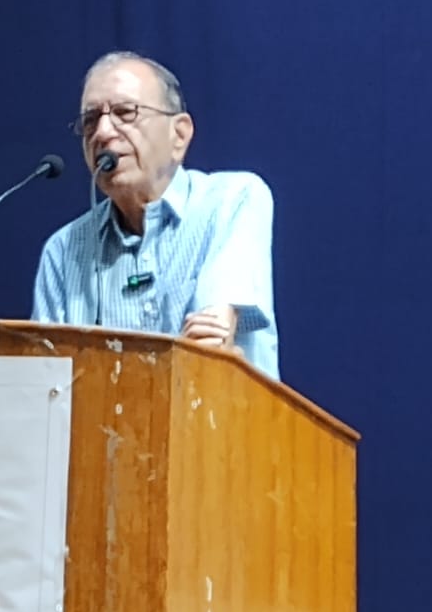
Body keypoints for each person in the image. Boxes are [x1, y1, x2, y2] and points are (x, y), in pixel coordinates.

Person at [31, 51, 278, 378]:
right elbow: (45, 385)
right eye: (90, 119)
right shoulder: (63, 252)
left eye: (125, 112)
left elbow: (209, 343)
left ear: (179, 135)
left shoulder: (232, 199)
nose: (103, 132)